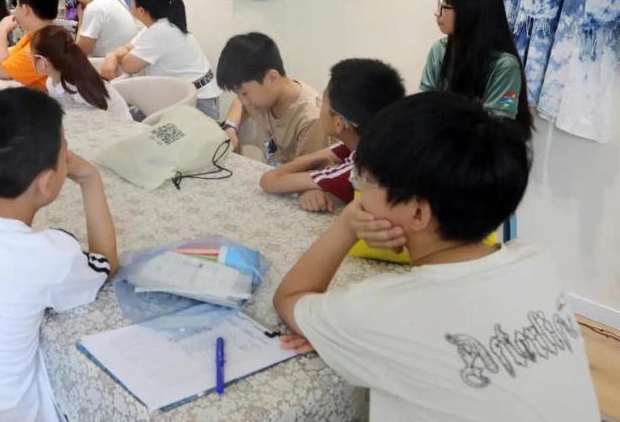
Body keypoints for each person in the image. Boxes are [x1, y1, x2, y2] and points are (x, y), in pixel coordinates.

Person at [272, 92, 600, 422]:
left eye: (365, 181)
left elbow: (288, 298)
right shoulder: (536, 264)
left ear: (417, 213)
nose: (358, 193)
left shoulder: (384, 309)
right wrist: (345, 332)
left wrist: (346, 224)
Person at [0, 87, 117, 422]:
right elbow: (105, 264)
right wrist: (90, 179)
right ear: (45, 182)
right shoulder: (48, 255)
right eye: (65, 147)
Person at [260, 59, 404, 212]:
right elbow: (319, 158)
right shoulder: (374, 142)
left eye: (322, 101)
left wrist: (313, 180)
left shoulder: (359, 170)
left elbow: (269, 180)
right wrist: (313, 181)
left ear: (338, 123)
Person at [422, 0, 533, 134]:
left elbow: (496, 128)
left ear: (470, 12)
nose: (437, 12)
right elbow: (425, 104)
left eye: (446, 5)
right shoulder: (439, 49)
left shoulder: (506, 67)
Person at [101, 0, 221, 119]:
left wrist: (114, 57)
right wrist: (112, 56)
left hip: (198, 104)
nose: (130, 2)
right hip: (191, 97)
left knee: (121, 117)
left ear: (141, 10)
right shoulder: (159, 25)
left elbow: (128, 65)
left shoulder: (159, 31)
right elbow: (126, 48)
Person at [216, 32, 328, 163]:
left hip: (293, 174)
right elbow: (239, 104)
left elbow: (306, 172)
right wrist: (230, 127)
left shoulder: (310, 119)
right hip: (271, 165)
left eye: (244, 93)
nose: (243, 101)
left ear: (272, 78)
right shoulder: (262, 100)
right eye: (238, 94)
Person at [32, 24, 131, 121]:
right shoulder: (53, 81)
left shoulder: (78, 90)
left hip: (118, 126)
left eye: (32, 55)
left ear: (42, 61)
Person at [66, 0, 139, 57]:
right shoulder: (116, 0)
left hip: (109, 65)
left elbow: (80, 53)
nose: (77, 0)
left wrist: (81, 21)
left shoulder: (95, 7)